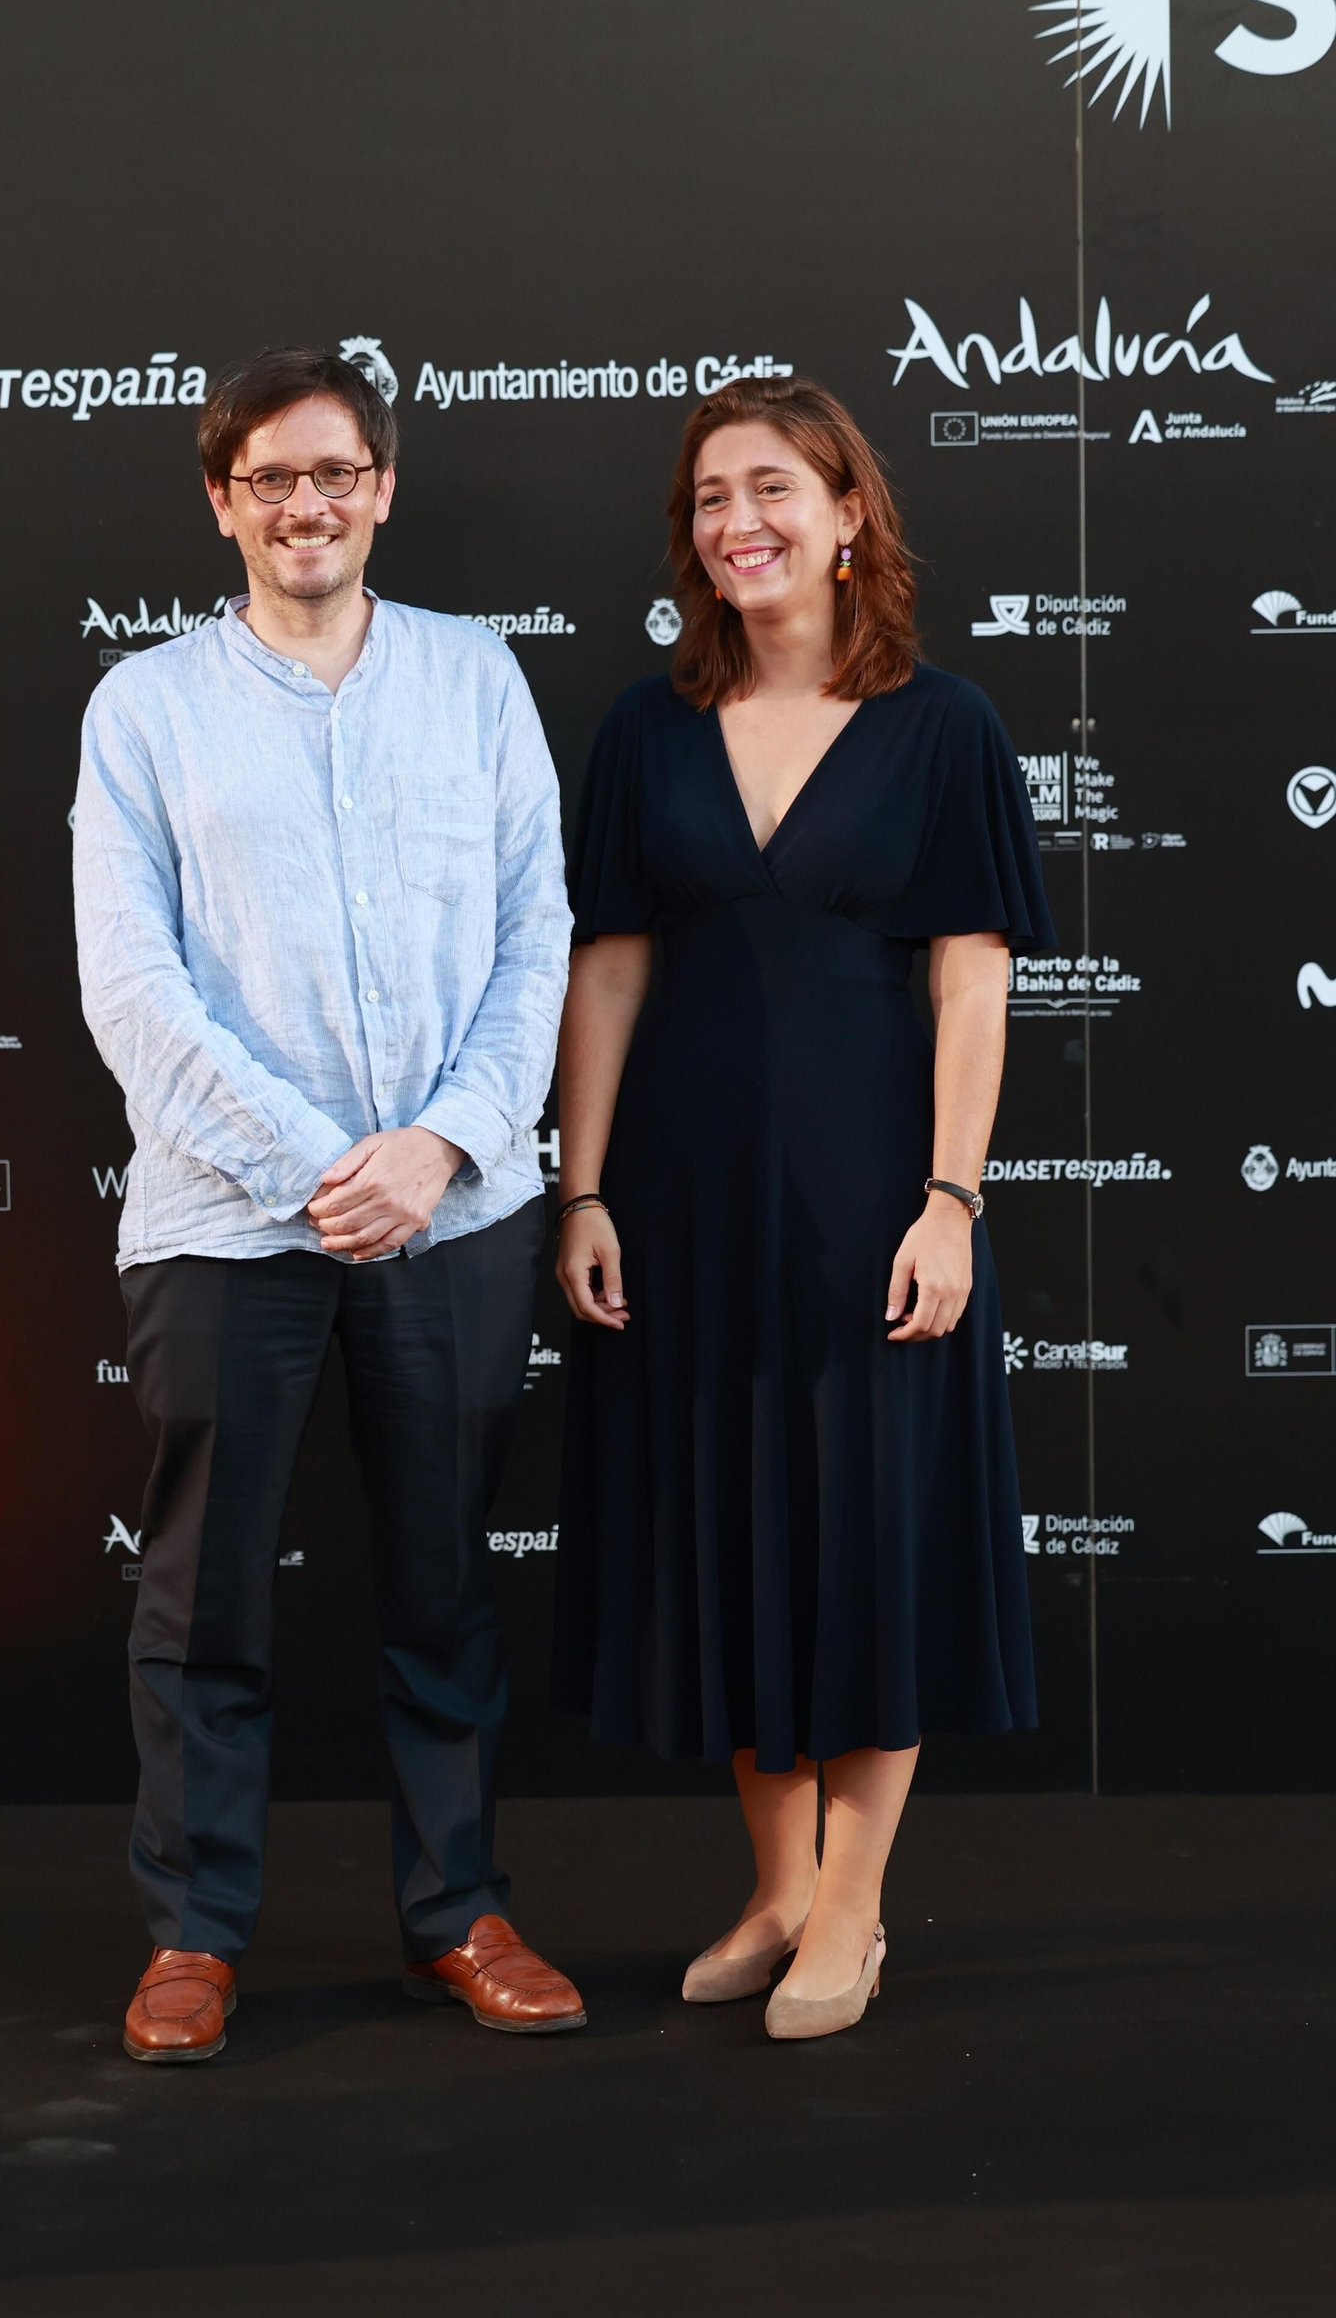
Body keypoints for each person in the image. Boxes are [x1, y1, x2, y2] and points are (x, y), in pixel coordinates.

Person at [73, 346, 584, 2061]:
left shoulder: (474, 677)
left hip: (460, 1210)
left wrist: (439, 1148)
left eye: (337, 472)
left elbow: (538, 940)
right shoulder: (144, 707)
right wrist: (314, 1163)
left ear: (383, 488)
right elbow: (131, 986)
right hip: (231, 1223)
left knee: (443, 1579)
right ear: (222, 500)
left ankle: (461, 1910)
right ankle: (198, 1933)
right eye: (271, 477)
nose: (308, 503)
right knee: (206, 1593)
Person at [551, 377, 1054, 2041]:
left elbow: (972, 990)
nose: (736, 523)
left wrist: (952, 1200)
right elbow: (608, 970)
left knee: (869, 1534)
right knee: (729, 1533)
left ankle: (855, 1904)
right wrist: (585, 1187)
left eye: (771, 489)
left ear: (850, 518)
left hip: (868, 1210)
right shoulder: (644, 727)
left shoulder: (947, 724)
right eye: (707, 500)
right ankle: (773, 1888)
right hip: (686, 1208)